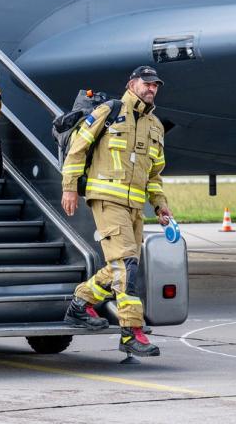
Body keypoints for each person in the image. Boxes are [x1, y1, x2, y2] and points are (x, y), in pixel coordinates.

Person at [61, 66, 172, 358]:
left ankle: (80, 304)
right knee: (126, 264)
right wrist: (69, 187)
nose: (151, 89)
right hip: (107, 199)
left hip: (135, 206)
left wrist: (160, 205)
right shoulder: (109, 111)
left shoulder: (156, 126)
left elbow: (154, 173)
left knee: (121, 266)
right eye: (146, 84)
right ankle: (130, 332)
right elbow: (78, 149)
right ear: (132, 84)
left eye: (155, 85)